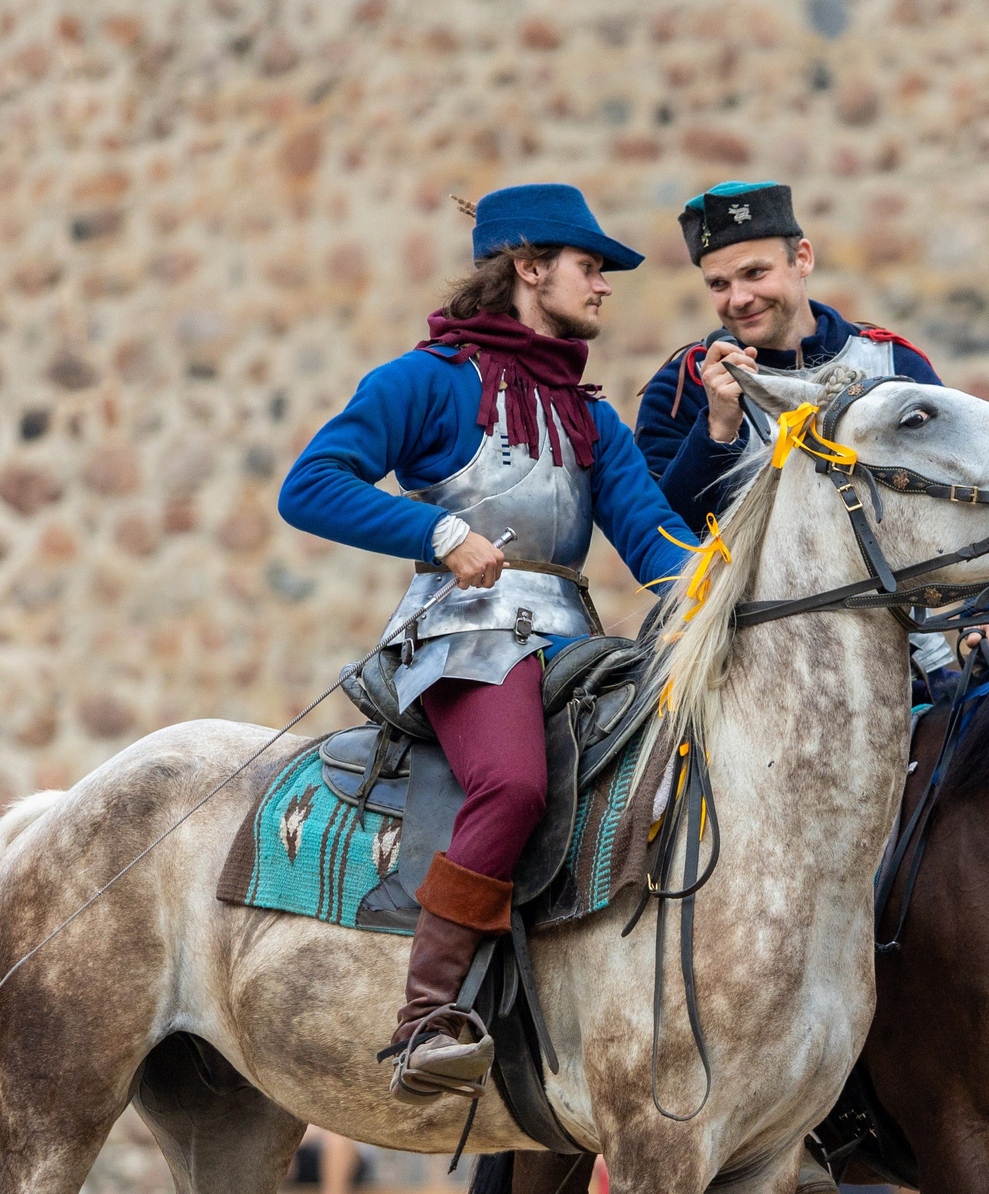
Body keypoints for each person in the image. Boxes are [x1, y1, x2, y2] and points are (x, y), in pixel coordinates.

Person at [277, 184, 686, 1103]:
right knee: (513, 783)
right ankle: (427, 1018)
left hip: (574, 643)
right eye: (591, 266)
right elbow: (309, 484)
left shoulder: (592, 416)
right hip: (464, 641)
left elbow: (653, 538)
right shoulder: (424, 381)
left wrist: (729, 586)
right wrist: (437, 536)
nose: (605, 285)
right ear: (529, 269)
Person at [634, 181, 943, 531]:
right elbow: (665, 540)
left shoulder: (895, 363)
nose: (738, 298)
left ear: (803, 259)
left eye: (754, 273)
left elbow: (966, 486)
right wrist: (718, 428)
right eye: (719, 284)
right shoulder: (680, 390)